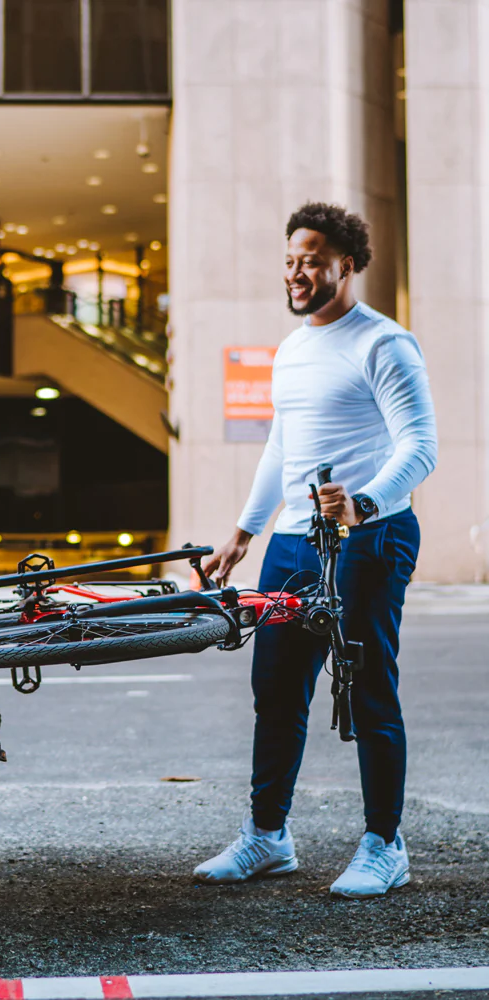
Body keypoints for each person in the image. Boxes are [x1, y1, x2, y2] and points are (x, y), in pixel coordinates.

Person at [196, 202, 438, 898]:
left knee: (366, 690)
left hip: (371, 538)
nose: (298, 273)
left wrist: (364, 504)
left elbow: (420, 446)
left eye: (313, 260)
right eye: (292, 260)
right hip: (294, 542)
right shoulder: (294, 347)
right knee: (275, 688)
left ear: (347, 265)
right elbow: (282, 445)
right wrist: (244, 532)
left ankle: (385, 844)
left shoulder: (383, 344)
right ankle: (268, 837)